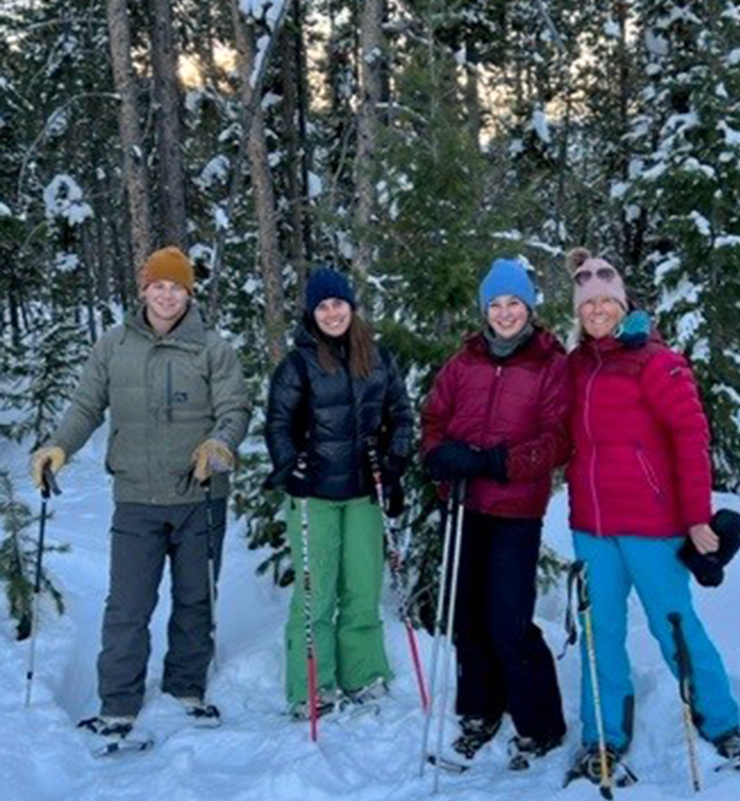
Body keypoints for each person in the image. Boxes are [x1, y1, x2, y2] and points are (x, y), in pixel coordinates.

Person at [30, 246, 251, 747]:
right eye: (159, 285)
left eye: (177, 286)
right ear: (144, 289)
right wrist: (59, 446)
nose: (167, 295)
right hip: (135, 496)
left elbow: (235, 409)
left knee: (197, 598)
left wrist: (220, 442)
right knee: (128, 605)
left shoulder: (212, 348)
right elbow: (87, 404)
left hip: (200, 495)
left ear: (189, 293)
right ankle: (119, 703)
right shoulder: (113, 346)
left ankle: (186, 688)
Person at [563, 247, 740, 784]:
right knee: (599, 631)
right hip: (593, 529)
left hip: (652, 526)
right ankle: (602, 739)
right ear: (578, 311)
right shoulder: (576, 365)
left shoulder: (656, 360)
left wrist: (698, 517)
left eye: (606, 301)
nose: (597, 310)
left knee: (674, 624)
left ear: (622, 304)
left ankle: (722, 723)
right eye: (587, 303)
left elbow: (691, 437)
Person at [420, 257, 569, 770]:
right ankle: (479, 709)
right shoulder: (464, 363)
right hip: (464, 504)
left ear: (528, 307)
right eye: (496, 304)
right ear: (485, 309)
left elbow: (557, 440)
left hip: (515, 510)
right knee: (466, 617)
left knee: (508, 619)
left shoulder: (550, 364)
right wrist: (440, 457)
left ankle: (540, 720)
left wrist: (498, 461)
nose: (504, 313)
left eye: (514, 303)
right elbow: (434, 418)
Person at [265, 267, 413, 719]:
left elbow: (401, 415)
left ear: (352, 307)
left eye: (339, 304)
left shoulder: (378, 358)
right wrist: (291, 467)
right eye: (323, 306)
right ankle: (312, 684)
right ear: (313, 313)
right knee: (317, 591)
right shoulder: (297, 364)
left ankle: (363, 674)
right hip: (315, 494)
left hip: (364, 490)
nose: (332, 313)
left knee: (362, 587)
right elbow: (278, 423)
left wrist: (394, 464)